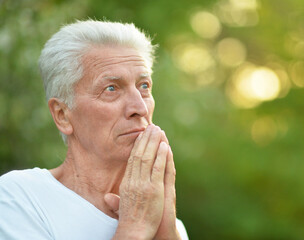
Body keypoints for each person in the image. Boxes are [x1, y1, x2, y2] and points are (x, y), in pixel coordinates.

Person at [0, 20, 188, 240]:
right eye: (111, 89)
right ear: (62, 114)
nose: (139, 107)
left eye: (144, 86)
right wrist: (135, 228)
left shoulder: (171, 225)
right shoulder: (18, 199)